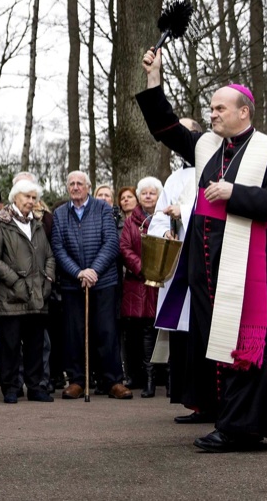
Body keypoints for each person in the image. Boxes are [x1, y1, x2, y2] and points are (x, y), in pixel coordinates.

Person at [137, 47, 267, 452]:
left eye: (220, 108)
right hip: (206, 264)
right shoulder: (206, 145)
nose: (212, 114)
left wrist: (234, 193)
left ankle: (240, 426)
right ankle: (223, 414)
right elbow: (165, 127)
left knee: (242, 343)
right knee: (213, 342)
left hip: (247, 265)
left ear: (244, 111)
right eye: (210, 108)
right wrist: (154, 78)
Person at [51, 171, 131, 400]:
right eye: (72, 184)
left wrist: (94, 270)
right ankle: (77, 380)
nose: (76, 187)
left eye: (80, 183)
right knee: (74, 333)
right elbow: (58, 248)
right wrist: (79, 272)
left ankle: (113, 381)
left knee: (106, 331)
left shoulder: (103, 208)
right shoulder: (59, 214)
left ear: (88, 186)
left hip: (103, 280)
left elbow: (111, 243)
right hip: (73, 283)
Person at [0, 179, 56, 403]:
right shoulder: (0, 223)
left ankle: (35, 387)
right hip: (10, 296)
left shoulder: (37, 223)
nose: (31, 201)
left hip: (37, 295)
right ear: (15, 197)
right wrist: (15, 281)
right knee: (10, 345)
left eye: (34, 198)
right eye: (27, 196)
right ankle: (11, 387)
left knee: (35, 345)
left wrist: (48, 279)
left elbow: (49, 256)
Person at [149, 119, 203, 410]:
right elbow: (159, 215)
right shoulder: (172, 179)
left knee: (201, 329)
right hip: (178, 259)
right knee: (182, 331)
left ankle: (206, 399)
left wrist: (182, 211)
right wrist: (164, 231)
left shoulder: (213, 169)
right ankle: (187, 398)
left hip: (204, 260)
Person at [120, 176, 164, 397]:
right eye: (144, 193)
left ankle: (161, 379)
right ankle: (144, 379)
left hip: (161, 284)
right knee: (141, 332)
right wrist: (143, 268)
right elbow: (125, 248)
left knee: (159, 332)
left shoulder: (166, 217)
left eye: (152, 193)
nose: (148, 196)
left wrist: (159, 270)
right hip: (138, 284)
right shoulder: (132, 221)